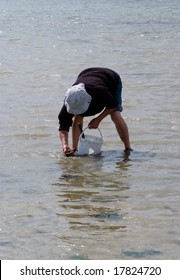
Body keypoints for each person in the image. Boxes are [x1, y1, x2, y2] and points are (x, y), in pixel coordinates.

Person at [58, 67, 132, 156]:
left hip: (111, 78)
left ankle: (128, 148)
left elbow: (113, 105)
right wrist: (65, 145)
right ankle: (75, 149)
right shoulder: (71, 99)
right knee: (78, 116)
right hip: (85, 73)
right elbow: (63, 127)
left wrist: (98, 120)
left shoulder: (101, 93)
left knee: (115, 114)